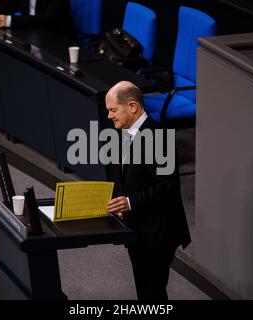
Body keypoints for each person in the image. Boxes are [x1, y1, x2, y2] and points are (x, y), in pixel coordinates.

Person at [105, 81, 191, 300]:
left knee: (152, 292)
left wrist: (130, 202)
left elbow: (168, 188)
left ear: (132, 107)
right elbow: (129, 179)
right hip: (139, 227)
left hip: (159, 232)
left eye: (113, 110)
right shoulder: (125, 132)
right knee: (145, 290)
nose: (109, 116)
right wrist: (122, 203)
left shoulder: (159, 138)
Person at [0, 0, 76, 37]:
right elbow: (7, 7)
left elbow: (47, 21)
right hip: (31, 35)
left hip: (57, 39)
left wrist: (9, 20)